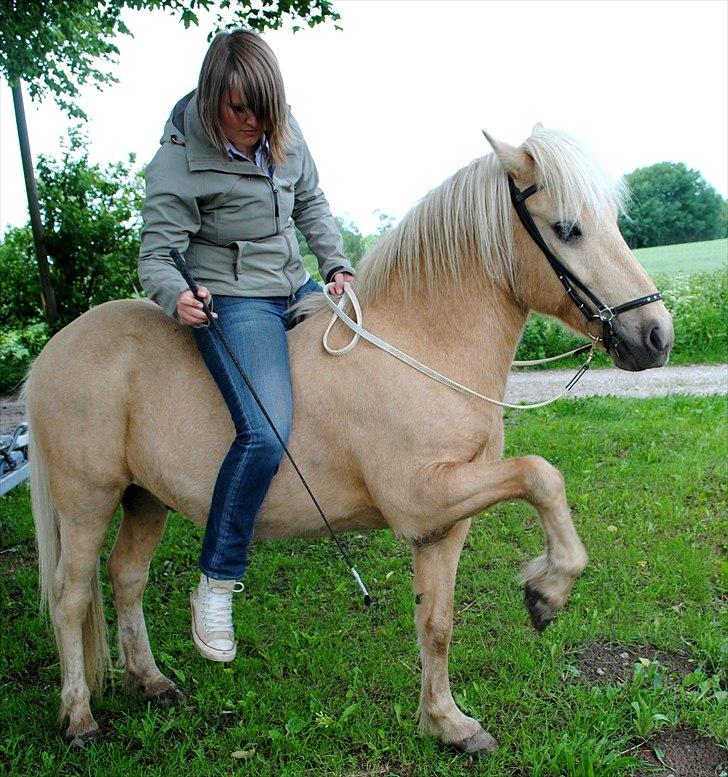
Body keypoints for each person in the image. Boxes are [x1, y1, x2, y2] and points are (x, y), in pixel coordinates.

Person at [138, 28, 355, 663]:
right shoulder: (181, 147)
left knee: (369, 355)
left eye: (266, 109)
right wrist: (174, 294)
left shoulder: (281, 126)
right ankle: (217, 580)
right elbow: (157, 252)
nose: (256, 124)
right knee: (264, 428)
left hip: (294, 281)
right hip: (234, 295)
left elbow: (311, 201)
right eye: (241, 110)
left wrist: (337, 265)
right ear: (212, 99)